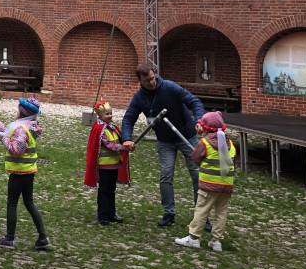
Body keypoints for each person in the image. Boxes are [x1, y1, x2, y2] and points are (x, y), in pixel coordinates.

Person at [121, 63, 205, 227]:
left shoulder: (170, 87)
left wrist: (200, 120)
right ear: (140, 81)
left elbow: (194, 102)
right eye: (147, 81)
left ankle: (202, 216)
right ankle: (169, 213)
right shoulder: (139, 98)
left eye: (153, 78)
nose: (152, 82)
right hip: (165, 141)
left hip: (187, 136)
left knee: (197, 174)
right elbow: (128, 119)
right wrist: (126, 138)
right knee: (166, 174)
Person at [0, 98, 50, 250]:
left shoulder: (21, 128)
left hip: (19, 172)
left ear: (22, 112)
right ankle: (42, 238)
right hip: (29, 171)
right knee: (29, 202)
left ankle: (9, 239)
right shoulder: (30, 125)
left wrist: (3, 138)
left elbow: (16, 149)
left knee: (12, 203)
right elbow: (11, 132)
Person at [175, 111, 236, 253]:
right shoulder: (230, 143)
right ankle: (216, 241)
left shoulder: (205, 143)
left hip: (209, 184)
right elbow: (232, 159)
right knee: (221, 212)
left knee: (202, 210)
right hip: (226, 184)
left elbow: (195, 158)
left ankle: (194, 238)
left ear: (206, 127)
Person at [83, 99, 130, 225]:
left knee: (111, 190)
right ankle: (103, 215)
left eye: (111, 113)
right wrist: (122, 147)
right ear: (100, 115)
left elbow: (120, 139)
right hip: (104, 166)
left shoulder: (113, 127)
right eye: (107, 114)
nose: (110, 116)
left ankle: (111, 213)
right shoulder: (100, 129)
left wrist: (127, 143)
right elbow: (108, 144)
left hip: (114, 165)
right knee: (104, 190)